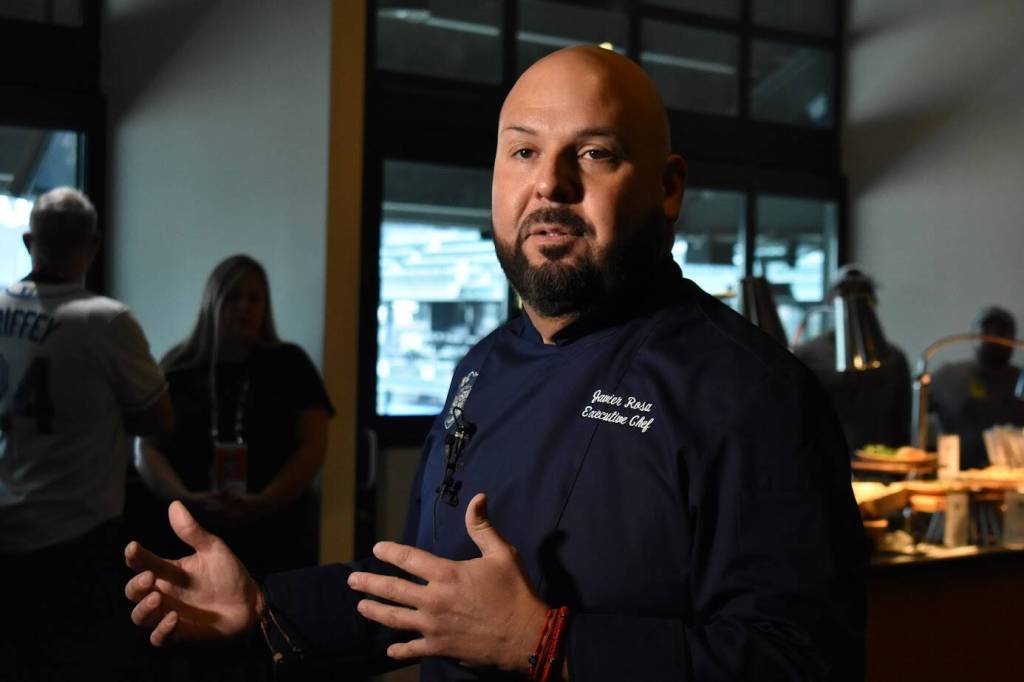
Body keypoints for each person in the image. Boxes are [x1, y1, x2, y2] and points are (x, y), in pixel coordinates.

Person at [126, 46, 866, 681]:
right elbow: (427, 593)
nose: (550, 183)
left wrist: (546, 644)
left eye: (594, 153)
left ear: (668, 187)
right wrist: (264, 605)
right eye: (524, 152)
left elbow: (803, 660)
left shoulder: (752, 394)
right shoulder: (482, 366)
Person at [1, 187, 172, 680]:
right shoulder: (106, 322)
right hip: (77, 537)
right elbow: (159, 420)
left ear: (30, 241)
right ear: (93, 246)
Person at [134, 254, 333, 578]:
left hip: (277, 534)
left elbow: (313, 446)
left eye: (255, 298)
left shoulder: (290, 363)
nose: (245, 307)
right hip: (191, 532)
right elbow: (146, 448)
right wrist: (185, 499)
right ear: (212, 302)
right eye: (233, 297)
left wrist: (265, 500)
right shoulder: (177, 366)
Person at [793, 266, 912, 451]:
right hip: (826, 455)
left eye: (861, 293)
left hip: (880, 457)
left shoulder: (893, 358)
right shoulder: (808, 354)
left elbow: (901, 418)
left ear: (872, 301)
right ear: (831, 301)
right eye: (846, 293)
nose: (854, 299)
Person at [929, 306, 1024, 469]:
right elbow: (920, 420)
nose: (994, 338)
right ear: (975, 335)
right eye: (988, 331)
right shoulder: (949, 378)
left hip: (1012, 475)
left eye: (1001, 332)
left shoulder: (1020, 380)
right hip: (954, 473)